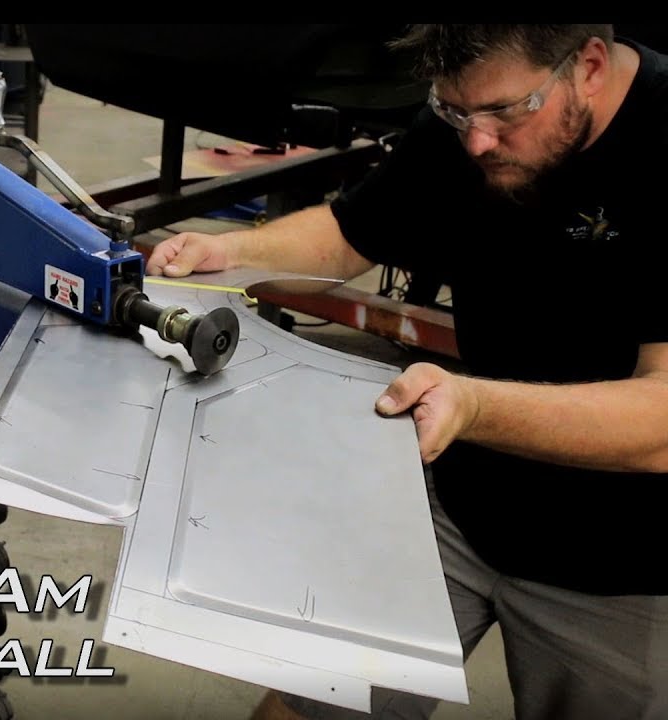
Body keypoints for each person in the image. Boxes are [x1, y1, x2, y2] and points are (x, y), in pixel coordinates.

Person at [147, 24, 666, 720]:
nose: (477, 142)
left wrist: (472, 407)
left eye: (504, 113)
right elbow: (350, 234)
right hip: (461, 504)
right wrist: (234, 252)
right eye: (456, 112)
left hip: (623, 565)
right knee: (308, 707)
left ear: (591, 66)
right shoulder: (468, 118)